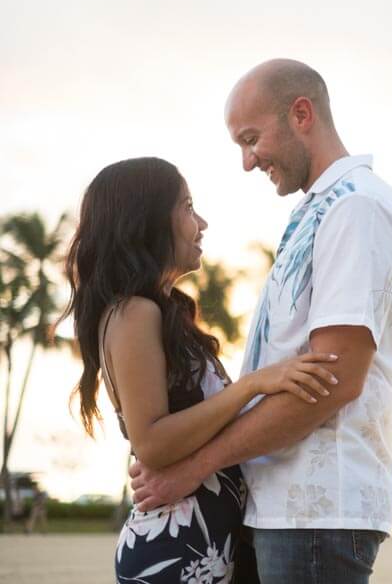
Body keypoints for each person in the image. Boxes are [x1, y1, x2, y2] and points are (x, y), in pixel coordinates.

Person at [129, 59, 392, 583]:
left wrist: (192, 469)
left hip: (316, 509)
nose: (247, 161)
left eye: (251, 138)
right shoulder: (322, 209)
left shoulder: (356, 208)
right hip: (286, 507)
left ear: (302, 115)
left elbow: (332, 381)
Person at [61, 157, 338, 582]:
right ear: (146, 220)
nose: (202, 222)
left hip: (203, 548)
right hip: (174, 555)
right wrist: (250, 386)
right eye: (187, 207)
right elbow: (151, 442)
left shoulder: (158, 313)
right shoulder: (133, 313)